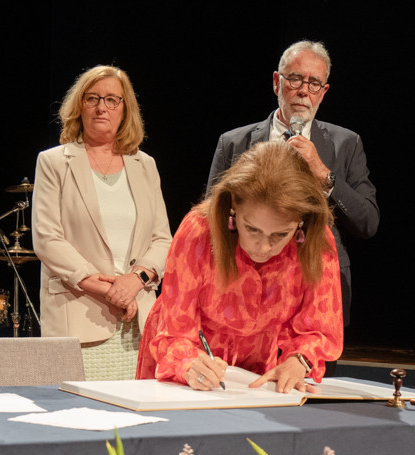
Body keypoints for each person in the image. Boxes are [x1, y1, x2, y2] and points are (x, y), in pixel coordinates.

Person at [137, 142, 342, 393]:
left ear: (301, 221)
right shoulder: (199, 231)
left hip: (255, 370)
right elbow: (174, 331)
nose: (263, 247)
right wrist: (188, 363)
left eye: (280, 234)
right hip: (188, 367)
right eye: (252, 229)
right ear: (233, 204)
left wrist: (297, 361)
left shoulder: (316, 242)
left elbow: (319, 328)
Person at [207, 40, 378, 328]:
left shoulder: (346, 144)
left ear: (323, 92)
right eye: (296, 78)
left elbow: (367, 222)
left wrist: (324, 174)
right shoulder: (234, 142)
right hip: (244, 284)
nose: (303, 91)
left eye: (314, 83)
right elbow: (210, 216)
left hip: (316, 288)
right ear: (277, 82)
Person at [32, 65, 172, 380]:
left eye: (112, 100)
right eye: (92, 98)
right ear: (79, 106)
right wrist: (106, 288)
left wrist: (135, 280)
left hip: (138, 321)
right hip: (77, 317)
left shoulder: (145, 164)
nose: (101, 108)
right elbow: (47, 239)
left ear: (125, 110)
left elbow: (163, 239)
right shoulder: (54, 162)